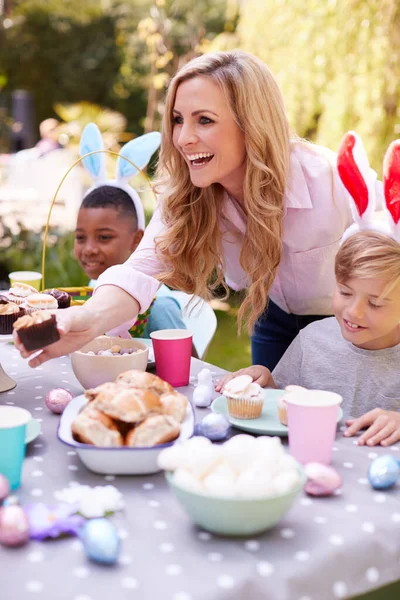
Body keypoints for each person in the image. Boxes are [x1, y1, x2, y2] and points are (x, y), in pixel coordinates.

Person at [15, 50, 382, 369]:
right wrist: (86, 319)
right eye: (177, 119)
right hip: (273, 318)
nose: (182, 138)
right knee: (272, 422)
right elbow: (140, 271)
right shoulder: (188, 195)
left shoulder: (332, 182)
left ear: (251, 125)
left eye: (204, 120)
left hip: (355, 322)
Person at [216, 131, 400, 447]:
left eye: (376, 302)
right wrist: (266, 381)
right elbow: (285, 400)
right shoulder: (312, 341)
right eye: (344, 292)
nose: (354, 311)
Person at [74, 184, 193, 343]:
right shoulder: (93, 287)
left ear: (137, 240)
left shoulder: (157, 305)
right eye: (81, 238)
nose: (89, 249)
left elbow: (188, 361)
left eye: (104, 237)